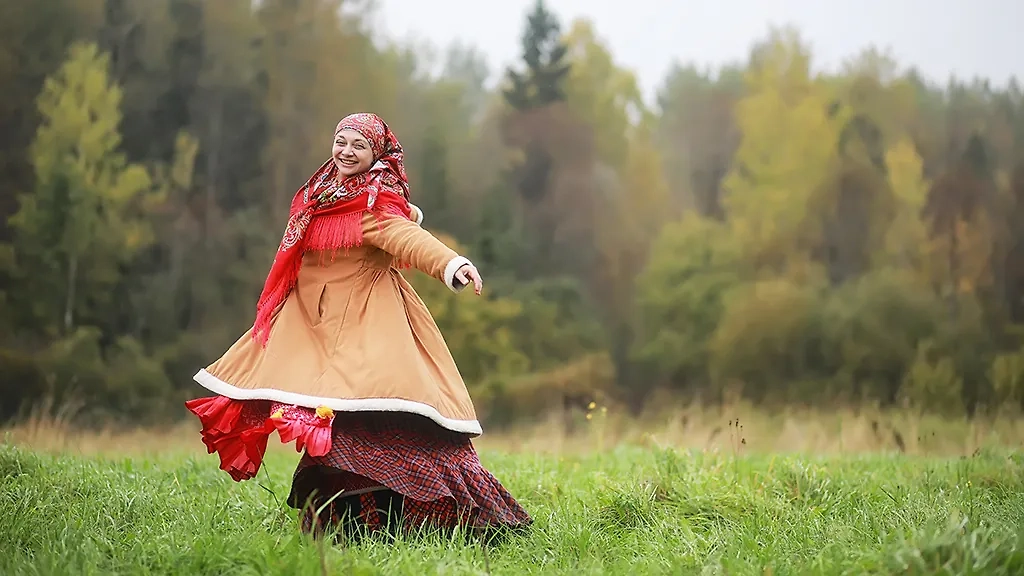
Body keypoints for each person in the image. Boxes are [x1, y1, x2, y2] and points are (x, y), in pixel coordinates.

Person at [184, 112, 531, 541]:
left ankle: (418, 519)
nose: (347, 152)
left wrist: (452, 264)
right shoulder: (316, 195)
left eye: (358, 146)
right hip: (314, 325)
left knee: (368, 420)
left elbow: (406, 237)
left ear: (376, 154)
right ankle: (346, 526)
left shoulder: (373, 202)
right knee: (333, 425)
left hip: (369, 323)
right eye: (341, 141)